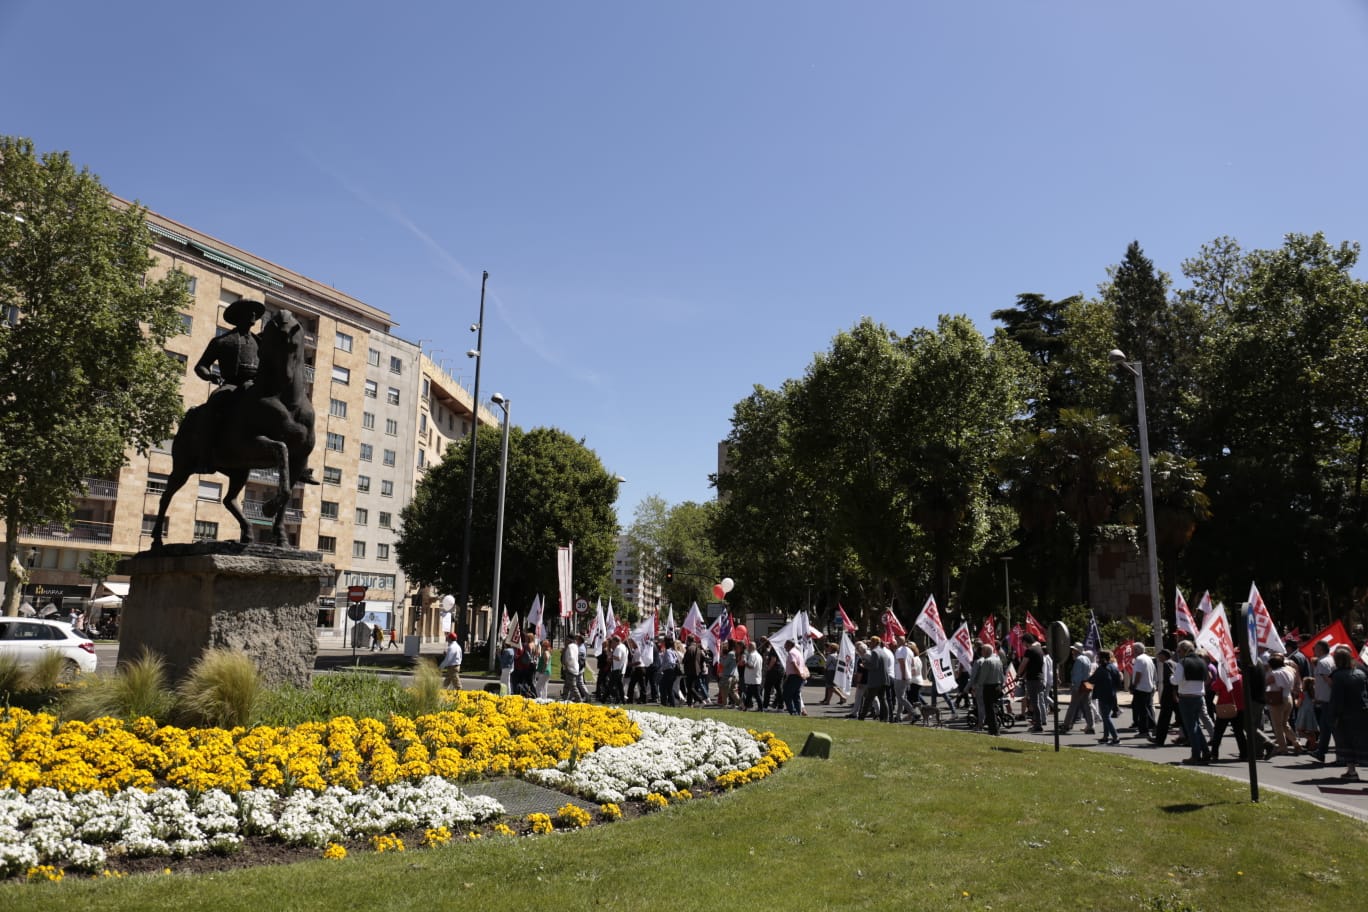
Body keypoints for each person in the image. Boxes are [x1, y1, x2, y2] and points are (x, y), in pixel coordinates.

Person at [1327, 644, 1368, 781]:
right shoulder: (1361, 673)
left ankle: (1351, 772)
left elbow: (1337, 698)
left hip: (1345, 715)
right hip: (1362, 712)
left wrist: (1334, 716)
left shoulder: (1337, 676)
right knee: (1363, 742)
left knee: (1346, 742)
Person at [1173, 641, 1211, 764]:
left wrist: (1171, 678)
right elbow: (1207, 678)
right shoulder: (1202, 662)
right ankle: (1205, 752)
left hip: (1186, 697)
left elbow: (1176, 680)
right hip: (1199, 696)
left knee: (1191, 727)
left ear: (1184, 650)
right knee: (1196, 726)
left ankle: (1196, 754)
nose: (1178, 653)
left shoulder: (1182, 663)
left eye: (1179, 651)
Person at [1264, 653, 1301, 755]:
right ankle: (1296, 742)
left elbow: (1265, 683)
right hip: (1288, 697)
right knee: (1285, 723)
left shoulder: (1274, 674)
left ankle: (1282, 747)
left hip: (1277, 699)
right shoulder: (1290, 670)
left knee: (1277, 726)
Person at [1059, 643, 1097, 734]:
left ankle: (1066, 725)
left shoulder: (1079, 660)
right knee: (1087, 705)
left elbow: (1077, 675)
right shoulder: (1087, 659)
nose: (1072, 652)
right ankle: (1091, 726)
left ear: (1077, 651)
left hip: (1080, 684)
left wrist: (1074, 686)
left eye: (1074, 650)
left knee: (1073, 705)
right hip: (1087, 683)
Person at [1309, 640, 1336, 763]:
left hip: (1328, 700)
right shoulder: (1330, 659)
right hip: (1328, 699)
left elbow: (1329, 682)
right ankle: (1321, 752)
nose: (1314, 650)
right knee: (1325, 728)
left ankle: (1342, 756)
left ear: (1321, 649)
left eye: (1316, 648)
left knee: (1332, 728)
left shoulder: (1322, 662)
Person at [969, 643, 1005, 735]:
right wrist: (1001, 685)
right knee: (993, 707)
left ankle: (993, 730)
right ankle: (995, 728)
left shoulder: (987, 661)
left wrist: (975, 687)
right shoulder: (998, 660)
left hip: (988, 687)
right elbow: (1002, 675)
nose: (981, 652)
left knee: (989, 709)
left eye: (982, 650)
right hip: (997, 686)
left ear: (986, 651)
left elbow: (982, 678)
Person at [1089, 649, 1123, 745]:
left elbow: (1092, 680)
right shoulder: (1113, 667)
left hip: (1103, 695)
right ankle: (1105, 736)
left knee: (1105, 717)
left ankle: (1115, 737)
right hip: (1112, 694)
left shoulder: (1102, 669)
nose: (1097, 659)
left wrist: (1084, 684)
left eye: (1098, 657)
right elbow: (1118, 681)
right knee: (1106, 716)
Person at [1020, 633, 1048, 732]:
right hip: (1040, 678)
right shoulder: (1039, 650)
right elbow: (1032, 666)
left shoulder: (1029, 650)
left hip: (1033, 679)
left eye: (1022, 642)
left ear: (1025, 641)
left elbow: (1024, 664)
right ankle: (1038, 723)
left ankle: (1038, 725)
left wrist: (1018, 674)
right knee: (1037, 702)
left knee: (1035, 702)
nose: (1022, 644)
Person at [1129, 643, 1156, 738]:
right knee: (1145, 709)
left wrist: (1133, 685)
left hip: (1141, 688)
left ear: (1137, 650)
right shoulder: (1148, 658)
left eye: (1133, 650)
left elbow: (1138, 674)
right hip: (1148, 687)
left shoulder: (1139, 659)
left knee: (1142, 710)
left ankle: (1144, 731)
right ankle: (1154, 727)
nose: (1132, 652)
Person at [781, 638, 809, 715]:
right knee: (796, 695)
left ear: (790, 645)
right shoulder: (797, 652)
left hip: (794, 676)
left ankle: (793, 712)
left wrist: (799, 674)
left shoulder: (791, 653)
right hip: (797, 676)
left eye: (786, 645)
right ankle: (798, 711)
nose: (784, 646)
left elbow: (794, 664)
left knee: (787, 695)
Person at [820, 641, 848, 705]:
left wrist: (823, 657)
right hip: (835, 671)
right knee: (831, 687)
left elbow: (826, 664)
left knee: (831, 686)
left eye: (829, 647)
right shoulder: (837, 655)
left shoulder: (831, 655)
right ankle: (828, 701)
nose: (828, 648)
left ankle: (842, 696)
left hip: (830, 671)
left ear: (832, 648)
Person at [561, 635, 589, 701]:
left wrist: (566, 664)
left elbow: (570, 658)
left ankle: (579, 699)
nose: (565, 642)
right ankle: (564, 698)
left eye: (566, 640)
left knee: (573, 686)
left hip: (570, 669)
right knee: (567, 685)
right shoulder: (575, 646)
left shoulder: (570, 647)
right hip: (574, 668)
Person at [719, 641, 742, 709]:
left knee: (724, 691)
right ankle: (741, 705)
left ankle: (724, 705)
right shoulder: (735, 653)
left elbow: (724, 664)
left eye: (727, 644)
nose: (726, 645)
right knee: (733, 692)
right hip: (734, 675)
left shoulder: (731, 653)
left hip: (728, 676)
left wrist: (721, 657)